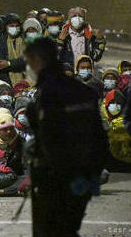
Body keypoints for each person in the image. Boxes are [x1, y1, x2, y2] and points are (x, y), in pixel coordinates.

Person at [24, 36, 109, 236]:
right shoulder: (82, 90)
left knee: (52, 230)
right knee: (69, 228)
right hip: (84, 175)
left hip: (58, 179)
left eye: (29, 62)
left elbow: (51, 142)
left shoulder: (49, 94)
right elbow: (100, 136)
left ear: (38, 60)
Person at [0, 13, 27, 87]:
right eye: (12, 26)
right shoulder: (0, 42)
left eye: (17, 26)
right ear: (6, 27)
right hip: (7, 82)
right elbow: (0, 64)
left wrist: (9, 63)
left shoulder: (25, 40)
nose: (15, 28)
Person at [104, 90, 131, 166]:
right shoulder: (100, 119)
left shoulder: (125, 125)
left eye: (118, 103)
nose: (115, 105)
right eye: (112, 102)